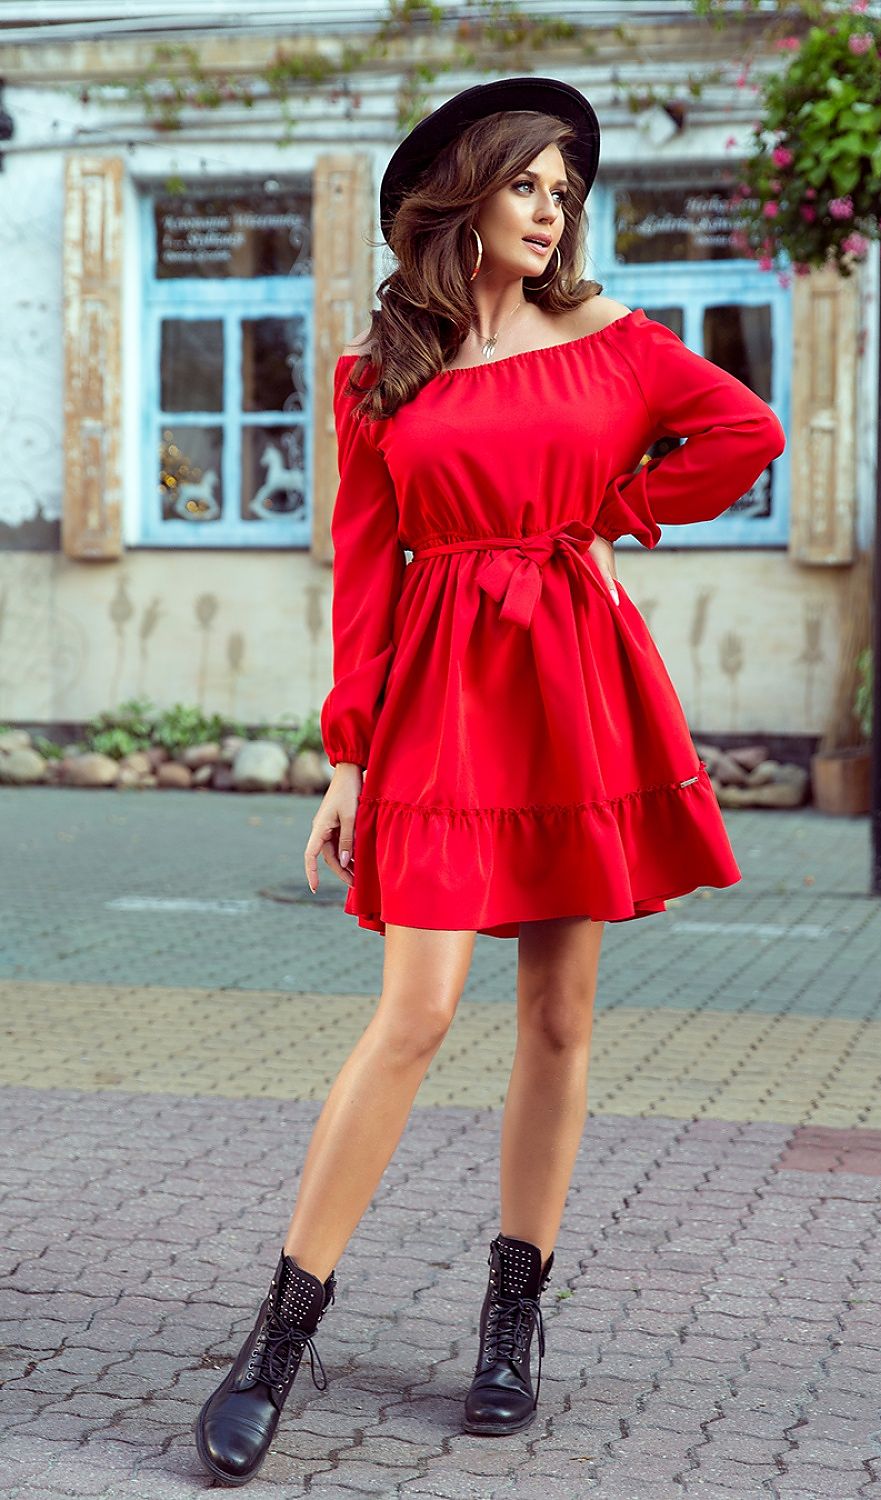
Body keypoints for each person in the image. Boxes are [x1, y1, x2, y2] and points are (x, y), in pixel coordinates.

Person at [195, 74, 785, 1486]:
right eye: (527, 183)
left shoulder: (616, 342)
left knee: (561, 1016)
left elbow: (745, 437)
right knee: (415, 1012)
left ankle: (511, 1323)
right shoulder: (381, 374)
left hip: (574, 685)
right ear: (461, 197)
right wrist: (347, 753)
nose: (553, 209)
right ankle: (279, 1335)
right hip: (441, 701)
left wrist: (613, 512)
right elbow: (360, 575)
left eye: (564, 191)